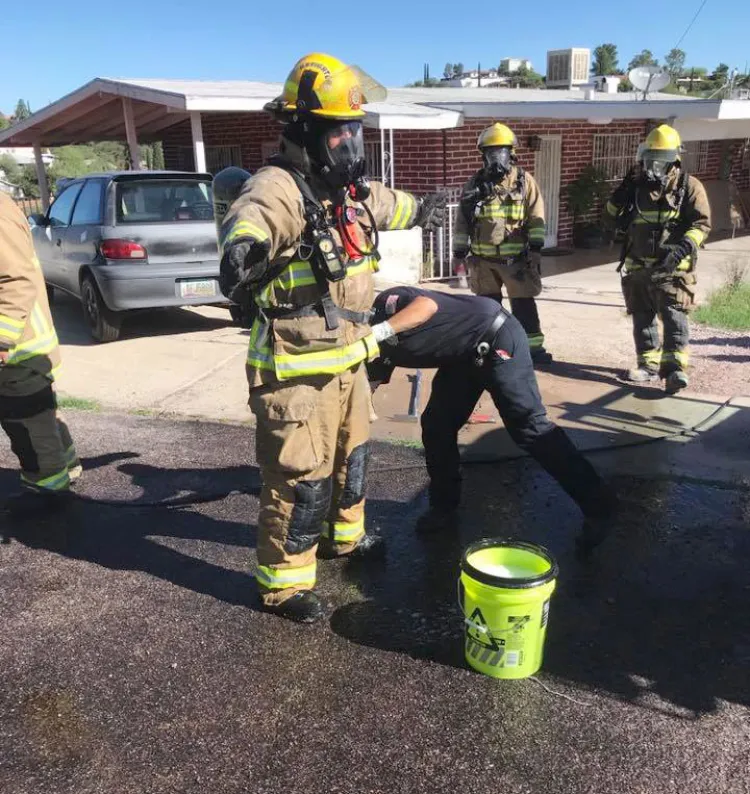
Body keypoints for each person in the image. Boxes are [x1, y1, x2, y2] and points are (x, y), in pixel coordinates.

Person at [218, 53, 447, 623]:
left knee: (353, 460)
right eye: (338, 132)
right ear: (302, 132)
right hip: (297, 370)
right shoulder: (279, 187)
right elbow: (254, 215)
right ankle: (284, 584)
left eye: (354, 131)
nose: (350, 143)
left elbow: (389, 203)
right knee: (300, 479)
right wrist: (242, 246)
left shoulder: (345, 191)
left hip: (348, 362)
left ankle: (344, 539)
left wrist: (426, 209)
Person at [366, 286, 616, 543]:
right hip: (462, 356)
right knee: (436, 426)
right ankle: (443, 506)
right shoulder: (366, 351)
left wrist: (376, 334)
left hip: (496, 336)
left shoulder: (388, 303)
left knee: (529, 427)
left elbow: (426, 307)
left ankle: (600, 506)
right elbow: (366, 392)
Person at [603, 124, 711, 394]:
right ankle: (647, 366)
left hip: (672, 268)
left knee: (674, 317)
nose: (654, 166)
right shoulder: (636, 187)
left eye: (660, 160)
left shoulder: (689, 186)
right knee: (642, 318)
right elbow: (609, 216)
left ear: (674, 160)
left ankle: (674, 371)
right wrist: (622, 191)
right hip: (638, 266)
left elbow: (702, 224)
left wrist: (684, 247)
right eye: (651, 159)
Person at [0, 192, 81, 518]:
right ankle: (67, 466)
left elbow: (15, 282)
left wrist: (1, 340)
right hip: (22, 343)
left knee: (25, 419)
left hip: (19, 347)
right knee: (42, 412)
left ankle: (47, 488)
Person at [452, 122, 551, 365]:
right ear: (483, 156)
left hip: (516, 261)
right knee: (487, 311)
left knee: (524, 307)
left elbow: (536, 216)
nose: (496, 158)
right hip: (483, 263)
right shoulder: (474, 184)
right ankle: (491, 349)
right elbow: (462, 220)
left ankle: (533, 351)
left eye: (501, 152)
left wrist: (536, 250)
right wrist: (459, 253)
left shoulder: (524, 182)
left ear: (511, 153)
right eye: (491, 153)